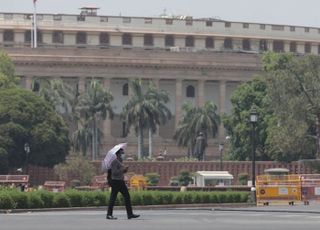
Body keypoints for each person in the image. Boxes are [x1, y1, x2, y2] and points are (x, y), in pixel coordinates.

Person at [106, 148, 140, 220]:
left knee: (127, 196)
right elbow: (114, 172)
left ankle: (130, 214)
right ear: (117, 154)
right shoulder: (114, 161)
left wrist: (124, 171)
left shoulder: (120, 160)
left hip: (120, 181)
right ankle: (109, 214)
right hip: (115, 181)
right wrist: (122, 169)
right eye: (121, 153)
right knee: (113, 198)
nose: (122, 155)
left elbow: (120, 171)